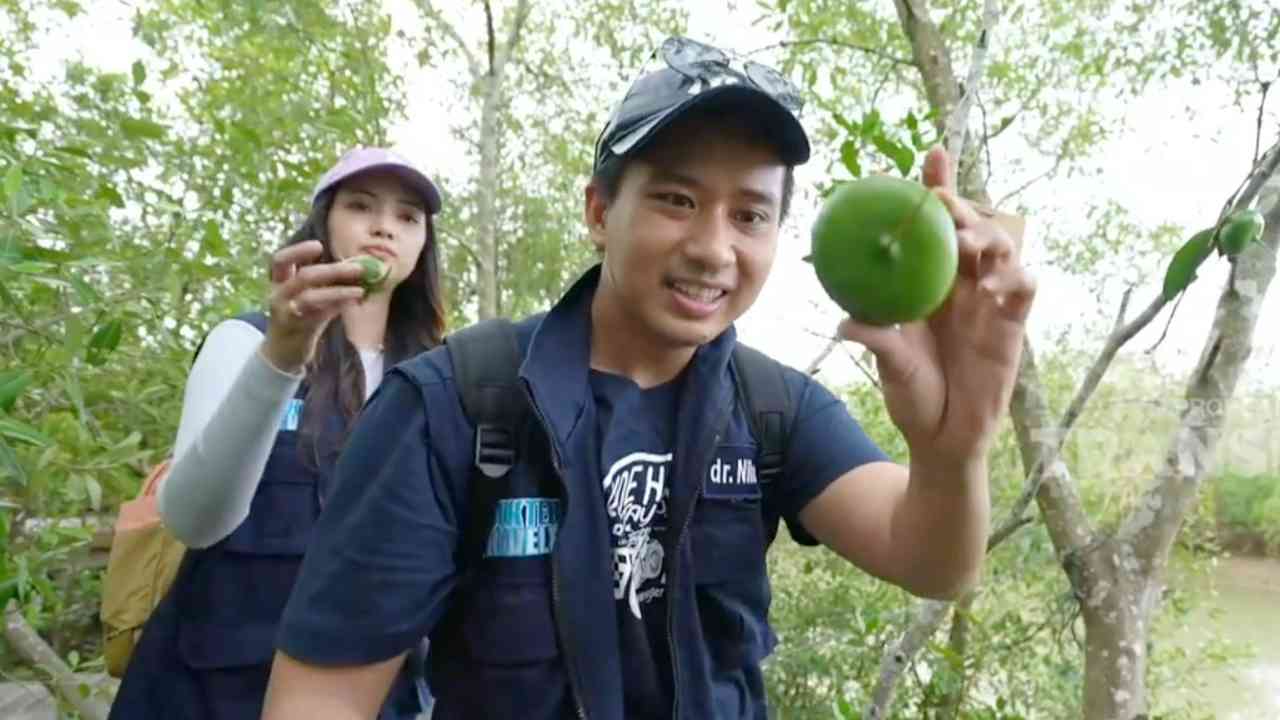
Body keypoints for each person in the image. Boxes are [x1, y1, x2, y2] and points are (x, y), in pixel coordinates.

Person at [261, 36, 1037, 720]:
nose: (711, 247)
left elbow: (933, 561)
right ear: (600, 212)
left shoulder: (772, 410)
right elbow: (322, 698)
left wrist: (954, 450)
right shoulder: (451, 406)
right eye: (676, 199)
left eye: (749, 216)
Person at [107, 147, 447, 720]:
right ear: (324, 224)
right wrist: (282, 356)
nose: (384, 225)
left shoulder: (441, 377)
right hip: (213, 688)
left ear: (422, 246)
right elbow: (194, 519)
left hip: (370, 694)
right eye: (361, 206)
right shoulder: (244, 343)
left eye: (408, 216)